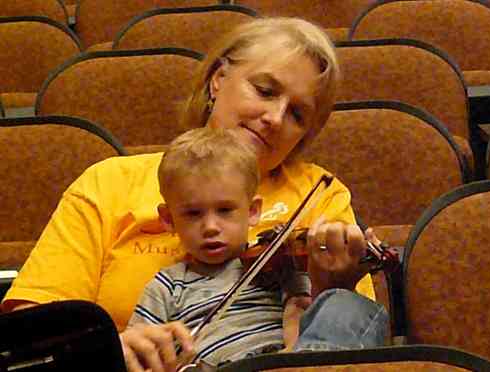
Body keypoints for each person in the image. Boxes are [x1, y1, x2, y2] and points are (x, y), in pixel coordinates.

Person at [1, 17, 388, 372]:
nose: (274, 118)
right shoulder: (109, 181)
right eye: (265, 90)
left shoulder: (319, 192)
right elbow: (37, 336)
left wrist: (330, 282)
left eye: (298, 115)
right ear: (218, 79)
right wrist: (112, 349)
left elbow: (346, 334)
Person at [130, 126, 313, 369]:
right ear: (168, 219)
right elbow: (137, 354)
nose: (210, 227)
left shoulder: (277, 265)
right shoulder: (167, 287)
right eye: (193, 214)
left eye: (225, 210)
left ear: (253, 211)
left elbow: (306, 319)